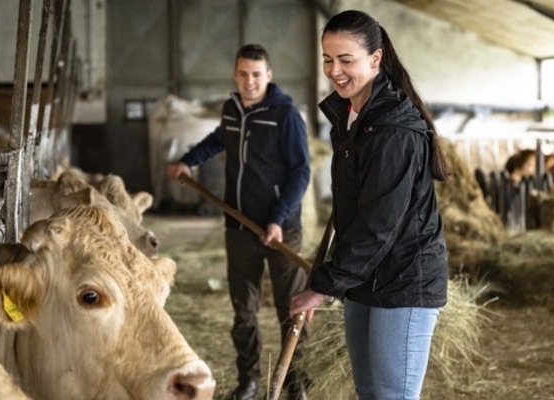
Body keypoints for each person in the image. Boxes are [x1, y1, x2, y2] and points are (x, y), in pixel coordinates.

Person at [288, 9, 450, 400]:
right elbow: (354, 212)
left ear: (375, 59)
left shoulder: (393, 128)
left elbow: (379, 222)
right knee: (369, 393)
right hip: (365, 278)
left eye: (346, 60)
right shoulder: (350, 118)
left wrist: (323, 286)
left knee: (392, 396)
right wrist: (333, 275)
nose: (334, 70)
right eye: (328, 59)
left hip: (405, 280)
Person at [167, 43, 311, 400]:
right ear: (235, 75)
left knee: (291, 308)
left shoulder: (285, 115)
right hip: (239, 227)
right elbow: (220, 139)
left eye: (257, 75)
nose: (250, 81)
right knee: (242, 310)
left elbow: (301, 172)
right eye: (243, 74)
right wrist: (189, 160)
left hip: (282, 230)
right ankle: (249, 381)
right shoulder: (232, 109)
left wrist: (278, 219)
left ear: (269, 76)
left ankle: (296, 383)